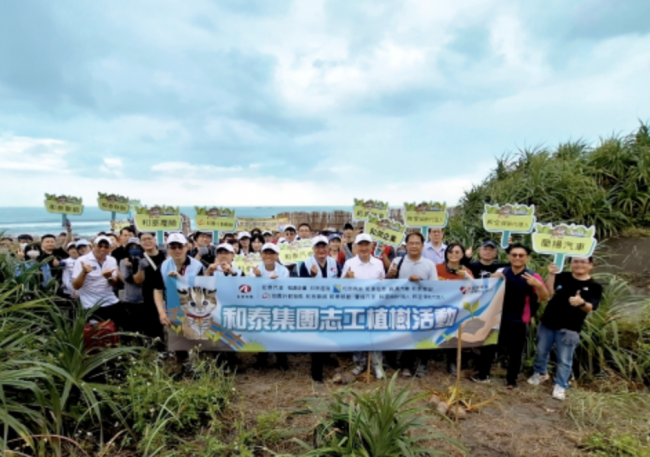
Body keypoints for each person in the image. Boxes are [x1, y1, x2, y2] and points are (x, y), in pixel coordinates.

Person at [472, 243, 550, 389]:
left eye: (521, 255)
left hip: (519, 320)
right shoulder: (501, 271)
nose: (517, 258)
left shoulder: (533, 276)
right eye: (514, 255)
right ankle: (483, 375)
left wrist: (538, 285)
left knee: (516, 352)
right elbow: (484, 291)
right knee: (489, 347)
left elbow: (545, 298)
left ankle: (511, 380)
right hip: (497, 317)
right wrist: (492, 278)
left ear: (527, 258)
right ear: (509, 257)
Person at [528, 257, 602, 400]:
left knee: (564, 359)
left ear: (590, 265)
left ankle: (561, 385)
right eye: (575, 261)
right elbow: (548, 293)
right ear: (570, 264)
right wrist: (551, 274)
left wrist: (581, 303)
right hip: (548, 322)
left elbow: (590, 308)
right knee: (541, 351)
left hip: (570, 328)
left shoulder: (595, 286)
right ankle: (541, 373)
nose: (579, 264)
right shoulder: (562, 276)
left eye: (583, 262)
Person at [385, 232, 438, 377]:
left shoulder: (429, 264)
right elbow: (386, 284)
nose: (414, 246)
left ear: (422, 245)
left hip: (422, 306)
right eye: (411, 243)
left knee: (422, 337)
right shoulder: (397, 261)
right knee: (404, 336)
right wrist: (390, 274)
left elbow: (436, 287)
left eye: (417, 243)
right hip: (401, 306)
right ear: (406, 245)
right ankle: (405, 366)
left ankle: (421, 365)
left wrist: (420, 281)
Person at [153, 233, 205, 363]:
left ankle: (196, 369)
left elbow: (202, 291)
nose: (177, 250)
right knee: (178, 343)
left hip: (193, 310)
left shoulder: (197, 266)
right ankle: (182, 367)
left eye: (180, 246)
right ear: (168, 248)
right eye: (173, 247)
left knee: (195, 343)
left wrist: (181, 281)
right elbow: (158, 290)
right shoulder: (163, 266)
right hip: (173, 310)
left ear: (187, 247)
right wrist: (161, 312)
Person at [341, 233, 386, 379]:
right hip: (356, 305)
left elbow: (382, 284)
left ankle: (377, 365)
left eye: (367, 244)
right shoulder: (350, 263)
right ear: (355, 247)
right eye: (361, 245)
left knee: (376, 337)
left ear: (372, 246)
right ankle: (359, 364)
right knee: (358, 335)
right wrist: (347, 279)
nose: (364, 248)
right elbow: (340, 286)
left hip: (374, 306)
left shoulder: (378, 263)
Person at [298, 235, 341, 382]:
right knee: (317, 338)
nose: (321, 250)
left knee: (329, 335)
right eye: (318, 247)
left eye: (324, 247)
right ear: (313, 249)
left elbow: (339, 285)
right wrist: (311, 276)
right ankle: (316, 373)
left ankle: (326, 358)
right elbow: (301, 287)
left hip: (330, 305)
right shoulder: (305, 264)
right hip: (313, 306)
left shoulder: (334, 263)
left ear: (328, 248)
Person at [251, 242, 290, 370]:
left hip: (278, 307)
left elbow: (285, 290)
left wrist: (274, 283)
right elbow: (250, 290)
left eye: (271, 253)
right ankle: (262, 359)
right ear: (261, 255)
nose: (268, 256)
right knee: (262, 332)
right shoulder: (254, 269)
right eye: (265, 253)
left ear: (277, 255)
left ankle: (282, 360)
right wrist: (259, 277)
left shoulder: (284, 270)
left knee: (280, 333)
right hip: (261, 307)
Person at [71, 235, 124, 328]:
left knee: (119, 328)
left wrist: (109, 277)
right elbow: (76, 286)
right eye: (100, 246)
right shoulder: (82, 260)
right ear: (93, 246)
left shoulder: (112, 260)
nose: (103, 249)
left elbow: (114, 283)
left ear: (110, 248)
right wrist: (83, 273)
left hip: (110, 300)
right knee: (97, 334)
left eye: (106, 246)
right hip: (91, 304)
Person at [132, 232, 168, 345]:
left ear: (155, 240)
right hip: (149, 295)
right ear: (140, 243)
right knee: (153, 326)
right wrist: (140, 269)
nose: (147, 241)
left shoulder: (165, 256)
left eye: (149, 238)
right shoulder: (137, 259)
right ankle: (158, 351)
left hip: (167, 294)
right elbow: (138, 280)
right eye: (144, 240)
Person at [119, 237, 144, 307]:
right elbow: (126, 279)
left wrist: (134, 266)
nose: (134, 249)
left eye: (137, 247)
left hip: (144, 299)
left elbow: (144, 279)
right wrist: (131, 267)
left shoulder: (144, 261)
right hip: (129, 300)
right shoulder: (123, 262)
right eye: (131, 247)